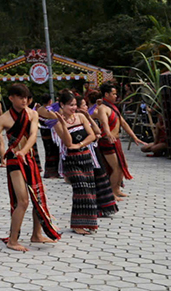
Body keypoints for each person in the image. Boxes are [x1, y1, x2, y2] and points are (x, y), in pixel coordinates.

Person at [0, 83, 61, 251]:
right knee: (23, 201)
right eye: (20, 97)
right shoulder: (4, 118)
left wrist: (25, 151)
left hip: (29, 158)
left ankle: (36, 235)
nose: (24, 100)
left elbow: (34, 135)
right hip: (14, 160)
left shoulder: (32, 114)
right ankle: (13, 240)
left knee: (38, 198)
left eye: (26, 97)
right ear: (11, 98)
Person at [51, 90, 98, 235]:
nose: (73, 108)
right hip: (71, 160)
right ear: (62, 105)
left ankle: (89, 223)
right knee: (81, 190)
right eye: (70, 105)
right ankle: (77, 224)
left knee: (89, 190)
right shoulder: (57, 123)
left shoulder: (81, 117)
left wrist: (81, 144)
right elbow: (68, 142)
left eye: (75, 105)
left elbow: (92, 135)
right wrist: (63, 124)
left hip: (85, 157)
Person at [94, 81, 141, 199]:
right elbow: (104, 122)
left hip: (116, 141)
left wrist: (134, 136)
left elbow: (123, 123)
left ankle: (116, 189)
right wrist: (108, 133)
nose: (116, 96)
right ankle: (112, 193)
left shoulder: (113, 107)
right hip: (107, 141)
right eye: (113, 94)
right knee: (116, 168)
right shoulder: (102, 108)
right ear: (106, 94)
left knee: (120, 166)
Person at [81, 93, 118, 217]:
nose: (86, 107)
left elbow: (97, 131)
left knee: (100, 177)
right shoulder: (80, 117)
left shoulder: (90, 114)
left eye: (86, 105)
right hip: (84, 153)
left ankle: (105, 205)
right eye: (83, 105)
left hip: (94, 151)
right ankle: (93, 207)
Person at [35, 98, 62, 178]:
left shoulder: (39, 109)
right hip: (50, 132)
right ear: (50, 101)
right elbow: (57, 118)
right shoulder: (49, 111)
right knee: (53, 151)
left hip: (43, 132)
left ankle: (48, 171)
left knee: (47, 151)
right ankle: (53, 172)